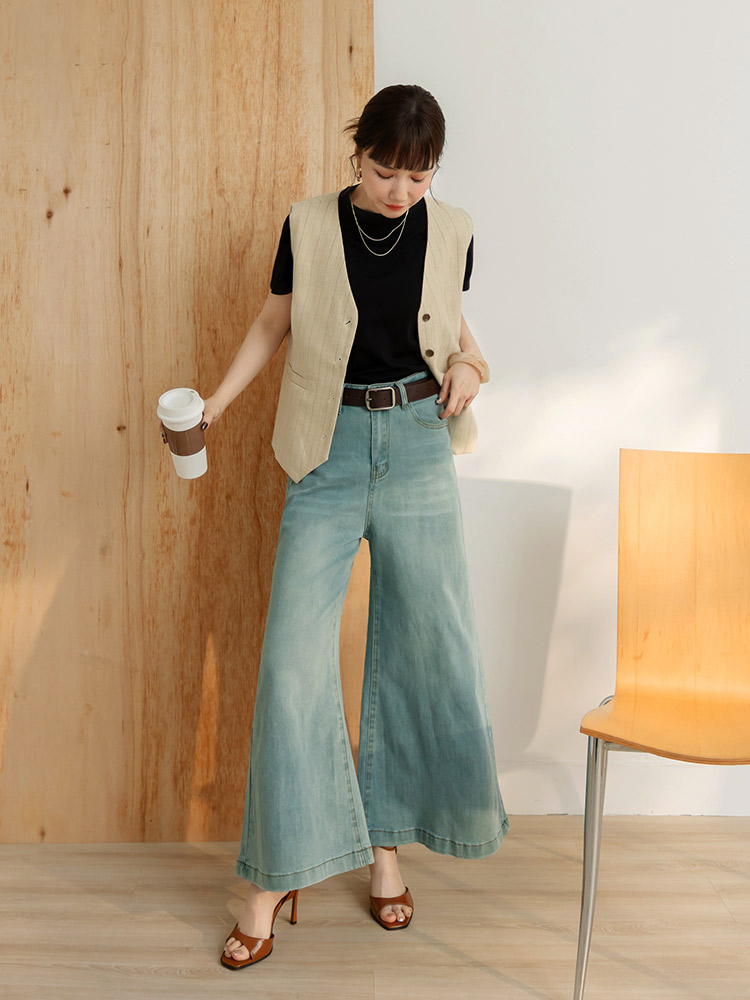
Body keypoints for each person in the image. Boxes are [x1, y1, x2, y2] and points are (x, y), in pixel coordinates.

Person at [201, 84, 509, 971]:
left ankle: (386, 854)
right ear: (357, 152)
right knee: (290, 663)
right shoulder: (307, 224)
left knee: (422, 651)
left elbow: (458, 334)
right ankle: (271, 879)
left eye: (420, 176)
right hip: (326, 451)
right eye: (385, 171)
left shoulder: (452, 228)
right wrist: (213, 407)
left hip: (418, 443)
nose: (401, 191)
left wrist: (472, 367)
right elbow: (274, 322)